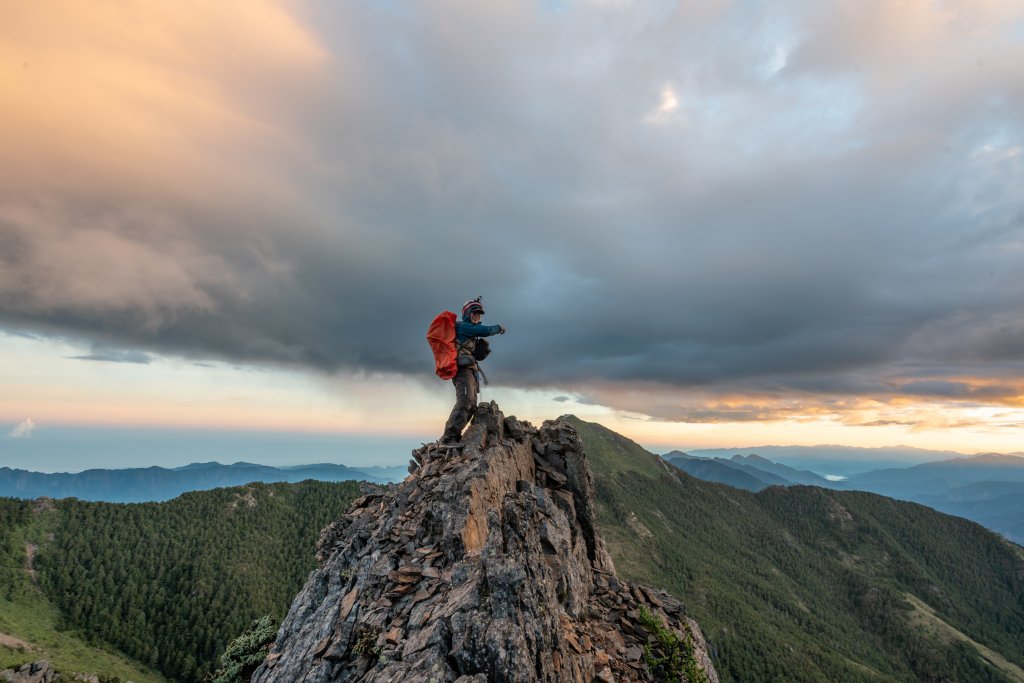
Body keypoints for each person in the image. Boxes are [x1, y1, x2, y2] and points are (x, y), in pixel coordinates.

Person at [440, 297, 506, 445]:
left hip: (470, 372)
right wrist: (498, 327)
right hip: (462, 372)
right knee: (465, 402)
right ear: (467, 313)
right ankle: (448, 438)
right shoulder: (463, 326)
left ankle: (455, 437)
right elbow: (485, 330)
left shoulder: (470, 331)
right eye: (474, 313)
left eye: (479, 314)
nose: (477, 316)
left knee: (471, 406)